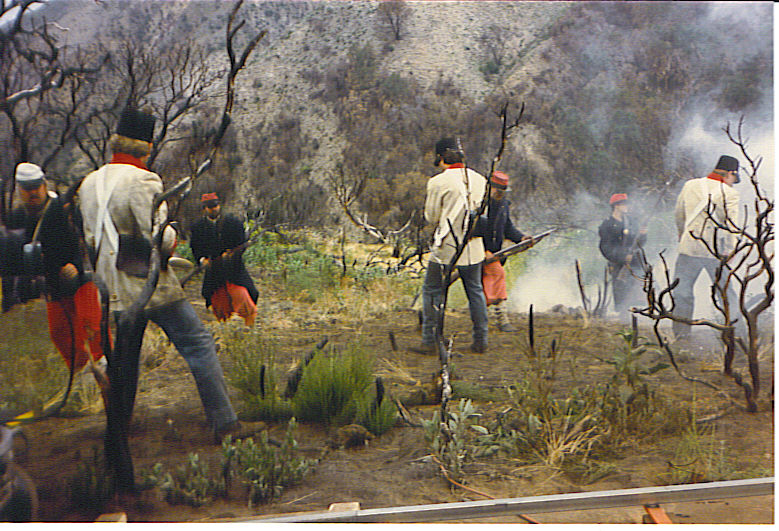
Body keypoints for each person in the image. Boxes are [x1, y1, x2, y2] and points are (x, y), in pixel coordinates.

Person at [78, 107, 250, 443]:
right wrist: (171, 237)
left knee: (125, 360)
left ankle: (119, 430)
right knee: (199, 345)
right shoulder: (143, 180)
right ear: (146, 145)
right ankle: (225, 424)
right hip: (147, 284)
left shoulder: (89, 183)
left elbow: (89, 238)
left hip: (109, 287)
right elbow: (159, 239)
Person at [6, 163, 108, 379]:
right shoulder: (17, 217)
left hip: (82, 278)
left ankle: (111, 375)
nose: (33, 192)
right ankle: (84, 378)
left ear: (44, 185)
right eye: (27, 188)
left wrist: (76, 265)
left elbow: (86, 239)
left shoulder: (65, 208)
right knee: (61, 335)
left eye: (36, 186)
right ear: (19, 190)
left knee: (91, 326)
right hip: (52, 284)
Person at [417, 137, 488, 354]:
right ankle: (481, 340)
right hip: (473, 246)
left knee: (431, 291)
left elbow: (431, 217)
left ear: (440, 157)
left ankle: (430, 341)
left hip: (447, 247)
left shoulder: (438, 182)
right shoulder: (480, 179)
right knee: (475, 291)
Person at [672, 155, 740, 341]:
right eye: (734, 178)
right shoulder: (730, 193)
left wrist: (682, 234)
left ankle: (681, 337)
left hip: (689, 248)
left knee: (682, 292)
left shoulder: (690, 185)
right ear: (729, 173)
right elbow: (732, 226)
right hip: (715, 252)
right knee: (726, 295)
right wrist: (731, 249)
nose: (734, 182)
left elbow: (679, 214)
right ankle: (734, 334)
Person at [189, 192, 258, 327]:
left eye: (215, 206)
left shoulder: (233, 223)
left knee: (245, 300)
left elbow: (241, 244)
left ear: (219, 205)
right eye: (210, 207)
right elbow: (196, 248)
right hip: (214, 272)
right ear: (204, 209)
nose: (213, 209)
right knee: (220, 306)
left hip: (234, 270)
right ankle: (225, 331)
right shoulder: (198, 227)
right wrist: (202, 260)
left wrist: (231, 254)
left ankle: (250, 330)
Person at [481, 171, 532, 332]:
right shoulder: (479, 204)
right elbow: (470, 229)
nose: (500, 194)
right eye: (498, 190)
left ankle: (491, 317)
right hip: (476, 251)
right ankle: (501, 318)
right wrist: (482, 250)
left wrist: (521, 238)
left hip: (494, 253)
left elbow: (507, 228)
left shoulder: (503, 204)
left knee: (487, 283)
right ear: (490, 187)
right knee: (497, 275)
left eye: (502, 191)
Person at [598, 193, 647, 316]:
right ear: (616, 206)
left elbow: (639, 243)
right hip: (618, 264)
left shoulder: (631, 222)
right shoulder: (607, 225)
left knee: (639, 291)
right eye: (624, 204)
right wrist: (623, 257)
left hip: (635, 262)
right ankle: (624, 319)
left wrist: (643, 235)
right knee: (622, 294)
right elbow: (606, 247)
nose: (627, 206)